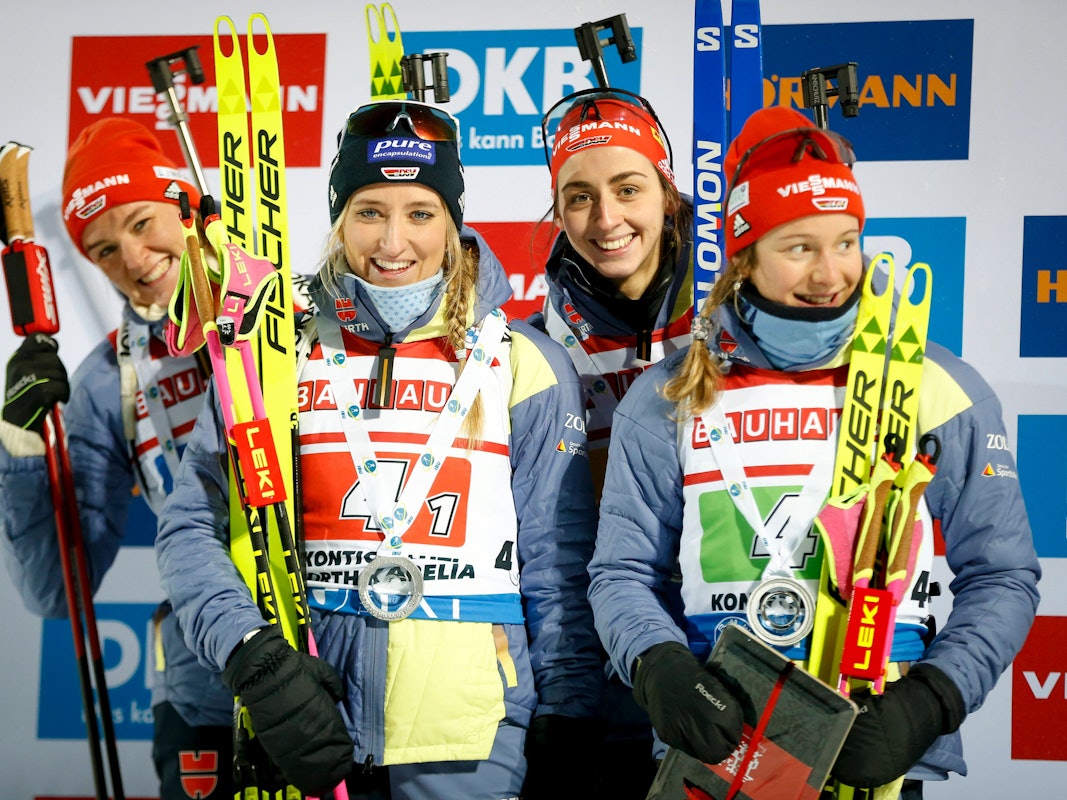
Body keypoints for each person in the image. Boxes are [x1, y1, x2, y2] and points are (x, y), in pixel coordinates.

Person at [586, 105, 1040, 799]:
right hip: (725, 737)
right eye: (797, 247)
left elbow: (1003, 574)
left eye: (846, 241)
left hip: (877, 739)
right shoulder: (665, 396)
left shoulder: (939, 387)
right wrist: (658, 665)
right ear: (744, 257)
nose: (830, 274)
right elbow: (621, 571)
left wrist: (931, 701)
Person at [155, 99, 604, 799]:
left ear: (452, 222)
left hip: (474, 739)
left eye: (420, 213)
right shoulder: (274, 352)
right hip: (308, 721)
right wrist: (252, 657)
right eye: (369, 211)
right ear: (338, 220)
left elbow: (556, 564)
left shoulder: (524, 361)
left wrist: (567, 712)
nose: (393, 242)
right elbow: (190, 525)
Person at [0, 119, 234, 798]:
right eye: (103, 249)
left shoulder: (284, 314)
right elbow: (54, 589)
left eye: (141, 223)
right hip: (203, 690)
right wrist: (19, 444)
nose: (132, 260)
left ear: (186, 207)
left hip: (329, 669)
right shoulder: (110, 377)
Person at [530, 88, 694, 798]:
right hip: (582, 682)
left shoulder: (730, 334)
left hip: (711, 677)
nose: (606, 220)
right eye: (577, 197)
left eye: (627, 189)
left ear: (667, 191)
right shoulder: (527, 348)